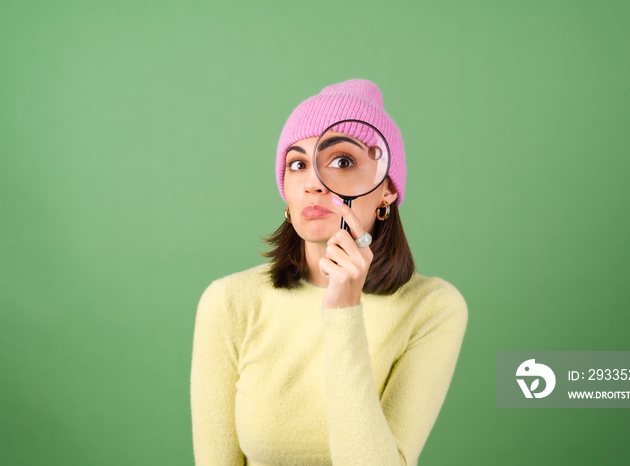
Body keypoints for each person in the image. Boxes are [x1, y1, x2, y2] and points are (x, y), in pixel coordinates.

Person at [190, 79, 468, 465]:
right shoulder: (229, 302)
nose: (313, 184)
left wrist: (343, 312)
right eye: (298, 164)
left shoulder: (432, 307)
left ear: (387, 188)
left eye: (341, 162)